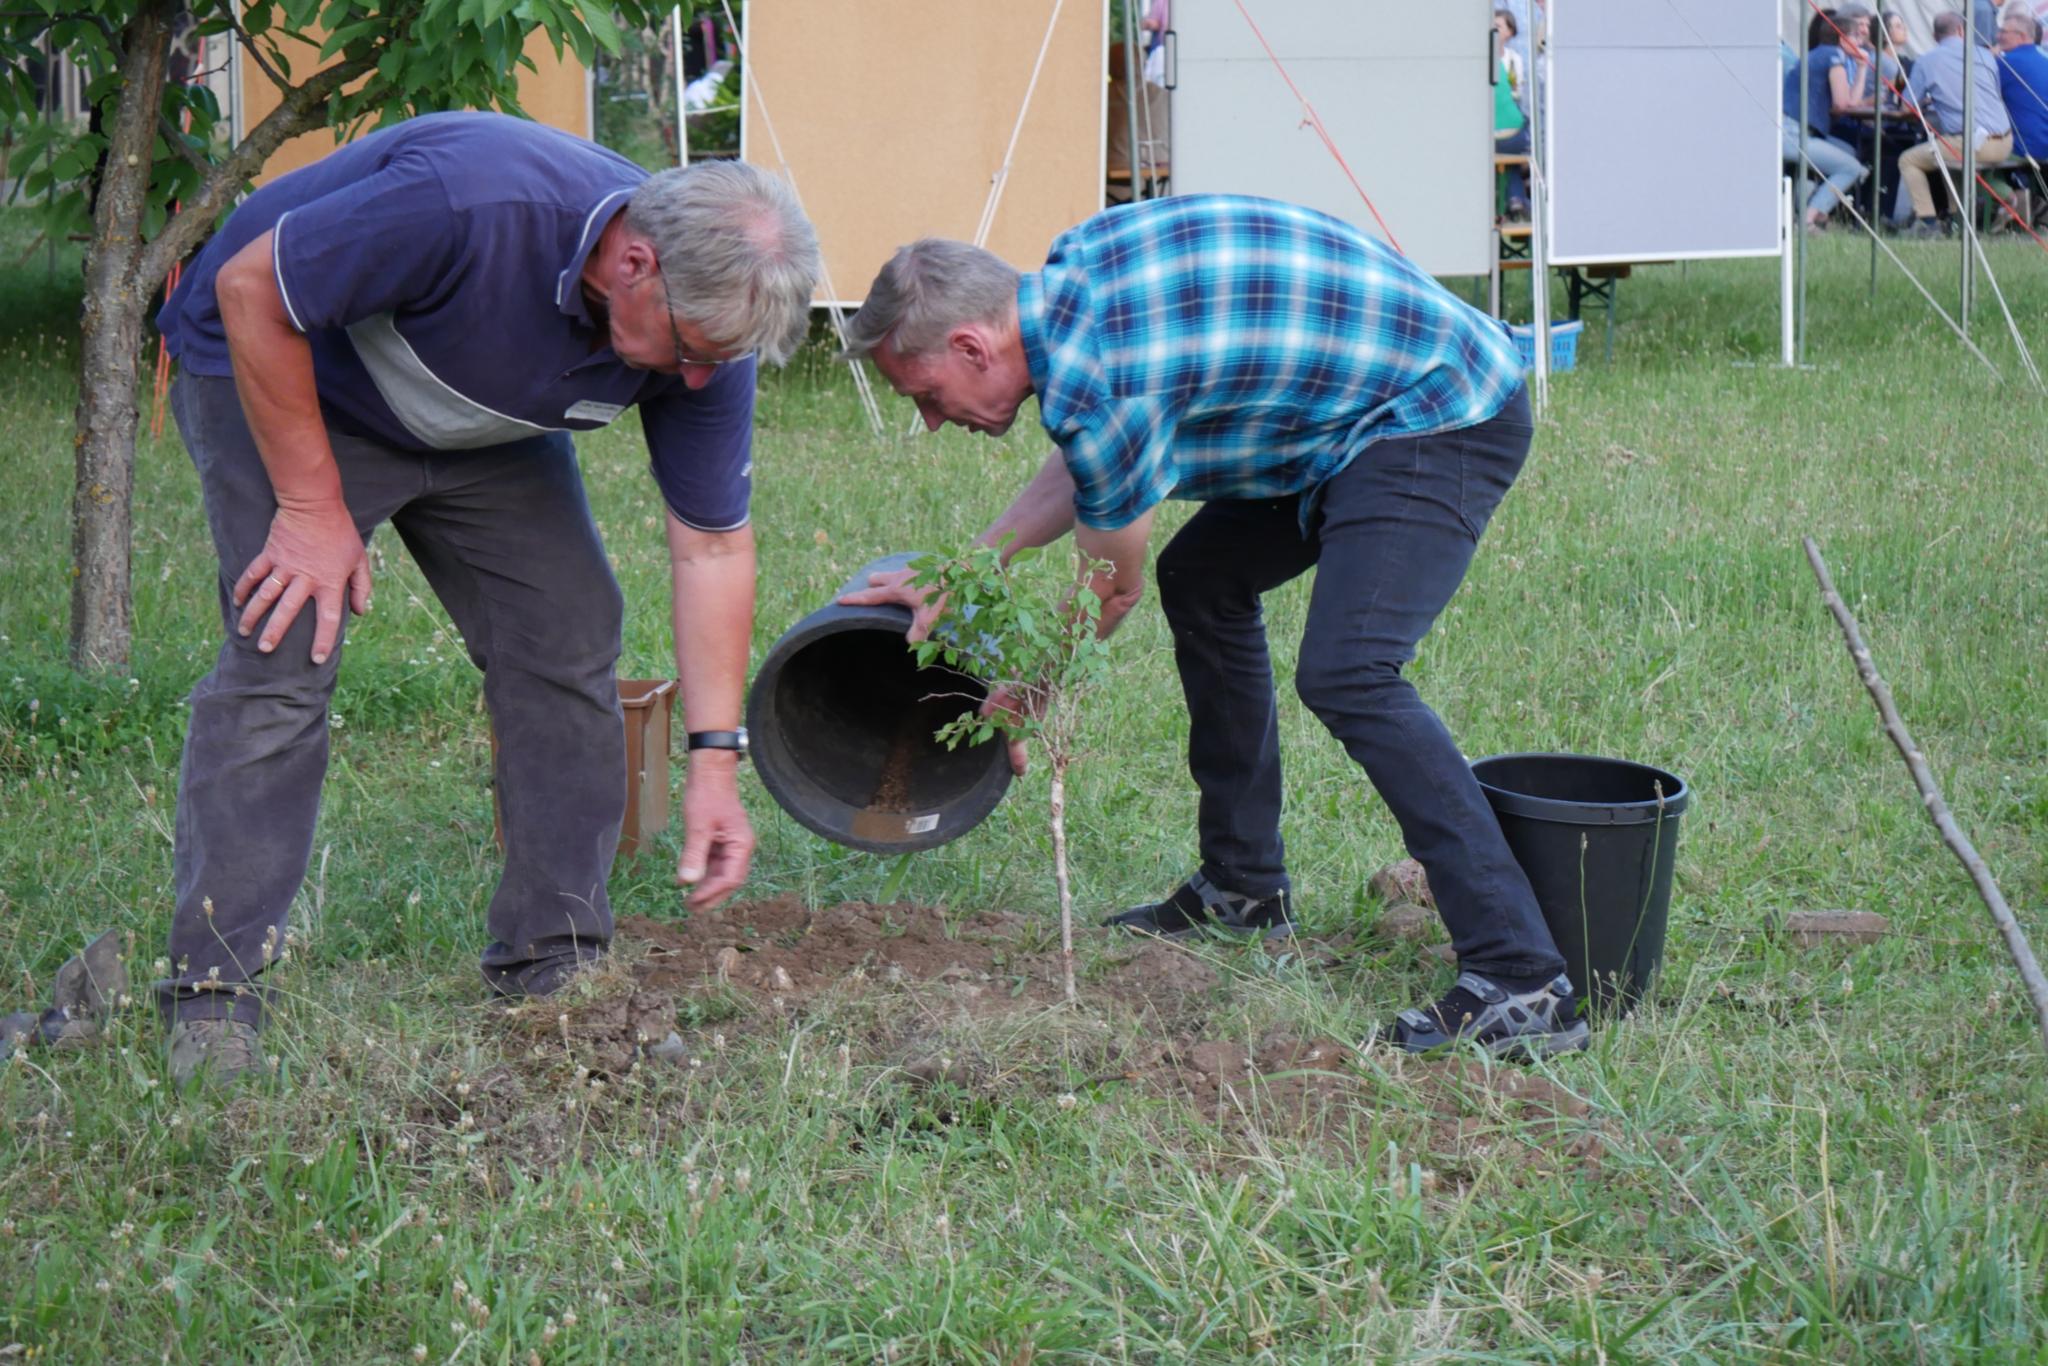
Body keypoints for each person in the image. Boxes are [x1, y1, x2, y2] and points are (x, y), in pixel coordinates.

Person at [152, 112, 821, 1086]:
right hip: (289, 364)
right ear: (630, 261)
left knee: (568, 633)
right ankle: (211, 995)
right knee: (285, 644)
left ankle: (555, 961)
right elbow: (250, 287)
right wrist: (309, 503)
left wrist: (715, 762)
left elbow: (712, 544)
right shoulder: (471, 203)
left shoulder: (706, 333)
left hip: (473, 420)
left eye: (719, 358)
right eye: (688, 347)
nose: (697, 378)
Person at [837, 197, 1589, 1060]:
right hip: (1346, 415)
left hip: (1440, 413)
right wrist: (969, 570)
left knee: (1351, 671)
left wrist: (1029, 695)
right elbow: (1094, 461)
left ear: (973, 346)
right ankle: (1243, 887)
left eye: (926, 395)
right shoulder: (1068, 284)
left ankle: (1522, 978)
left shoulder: (1104, 379)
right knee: (1201, 578)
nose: (932, 421)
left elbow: (1104, 591)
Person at [1892, 11, 2014, 234]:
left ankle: (1927, 222)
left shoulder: (1927, 61)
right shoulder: (1986, 55)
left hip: (1974, 144)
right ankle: (1957, 217)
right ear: (1961, 31)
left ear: (1934, 35)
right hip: (2005, 141)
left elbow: (1907, 105)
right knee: (1947, 149)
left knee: (1908, 160)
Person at [1784, 11, 1868, 230]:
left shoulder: (1817, 54)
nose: (1861, 42)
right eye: (1857, 37)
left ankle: (1820, 210)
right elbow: (1843, 104)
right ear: (1843, 39)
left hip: (1795, 129)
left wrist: (1861, 68)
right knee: (1851, 168)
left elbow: (1849, 103)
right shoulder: (1834, 56)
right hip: (1794, 133)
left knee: (1847, 152)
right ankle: (1807, 219)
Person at [1996, 9, 2048, 226]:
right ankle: (2034, 201)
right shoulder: (2044, 59)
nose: (1999, 36)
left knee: (1969, 156)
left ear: (2022, 36)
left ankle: (2012, 196)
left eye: (2004, 32)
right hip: (2045, 141)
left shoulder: (2004, 63)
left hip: (2024, 145)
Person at [1494, 9, 1531, 220]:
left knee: (1509, 157)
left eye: (1498, 27)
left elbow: (1518, 91)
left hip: (1502, 131)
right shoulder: (1505, 60)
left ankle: (1514, 200)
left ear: (1510, 32)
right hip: (1508, 132)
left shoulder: (1512, 60)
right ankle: (1517, 199)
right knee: (1515, 155)